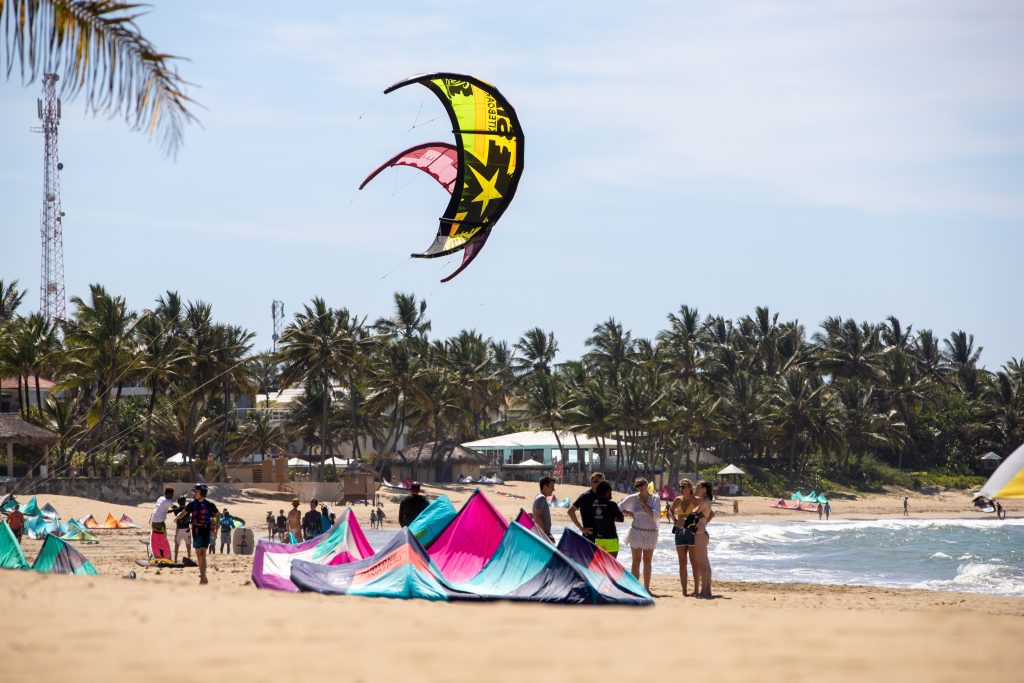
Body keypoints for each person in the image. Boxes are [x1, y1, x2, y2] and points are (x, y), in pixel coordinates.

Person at [618, 477, 661, 592]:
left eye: (642, 484)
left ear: (647, 484)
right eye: (638, 486)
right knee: (636, 560)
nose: (640, 487)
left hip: (651, 532)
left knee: (647, 561)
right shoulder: (633, 498)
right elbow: (619, 506)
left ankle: (646, 588)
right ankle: (635, 588)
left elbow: (655, 516)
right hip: (636, 531)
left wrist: (643, 503)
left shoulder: (655, 498)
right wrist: (628, 513)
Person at [175, 483, 219, 585]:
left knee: (203, 554)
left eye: (196, 491)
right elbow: (184, 512)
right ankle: (204, 576)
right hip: (195, 531)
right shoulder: (192, 504)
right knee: (199, 556)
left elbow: (217, 515)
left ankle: (202, 579)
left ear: (202, 493)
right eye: (194, 491)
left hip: (205, 530)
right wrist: (177, 516)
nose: (194, 493)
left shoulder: (209, 505)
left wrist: (216, 530)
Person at [667, 478, 698, 596]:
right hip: (679, 531)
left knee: (694, 561)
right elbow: (670, 510)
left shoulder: (696, 500)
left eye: (684, 486)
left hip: (691, 531)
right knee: (682, 562)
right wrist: (674, 520)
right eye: (680, 486)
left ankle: (695, 590)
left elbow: (705, 512)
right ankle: (684, 591)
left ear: (690, 488)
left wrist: (700, 524)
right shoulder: (677, 500)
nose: (682, 488)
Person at [690, 481, 715, 598]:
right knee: (705, 564)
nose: (696, 489)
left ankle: (704, 591)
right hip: (702, 533)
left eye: (698, 488)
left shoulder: (704, 501)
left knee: (702, 564)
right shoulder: (706, 501)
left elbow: (693, 514)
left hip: (700, 534)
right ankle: (707, 590)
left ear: (704, 489)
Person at [568, 472, 605, 541]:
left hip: (603, 537)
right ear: (591, 483)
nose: (598, 484)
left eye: (601, 482)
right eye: (595, 481)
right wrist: (580, 528)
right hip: (589, 536)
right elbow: (570, 511)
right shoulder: (585, 496)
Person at [591, 480, 623, 557]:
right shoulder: (612, 504)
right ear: (608, 491)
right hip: (611, 539)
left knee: (601, 566)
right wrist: (612, 517)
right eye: (610, 491)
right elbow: (621, 519)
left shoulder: (594, 504)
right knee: (611, 566)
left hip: (599, 539)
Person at [531, 476, 556, 542]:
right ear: (545, 487)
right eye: (552, 487)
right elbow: (538, 516)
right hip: (542, 535)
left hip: (541, 534)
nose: (554, 489)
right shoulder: (541, 498)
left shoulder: (540, 497)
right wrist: (546, 535)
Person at [171, 495, 192, 563]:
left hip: (179, 529)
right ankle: (189, 558)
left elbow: (176, 508)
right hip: (186, 529)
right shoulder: (188, 509)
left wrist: (174, 507)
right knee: (188, 545)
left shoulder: (176, 510)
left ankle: (175, 560)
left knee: (177, 545)